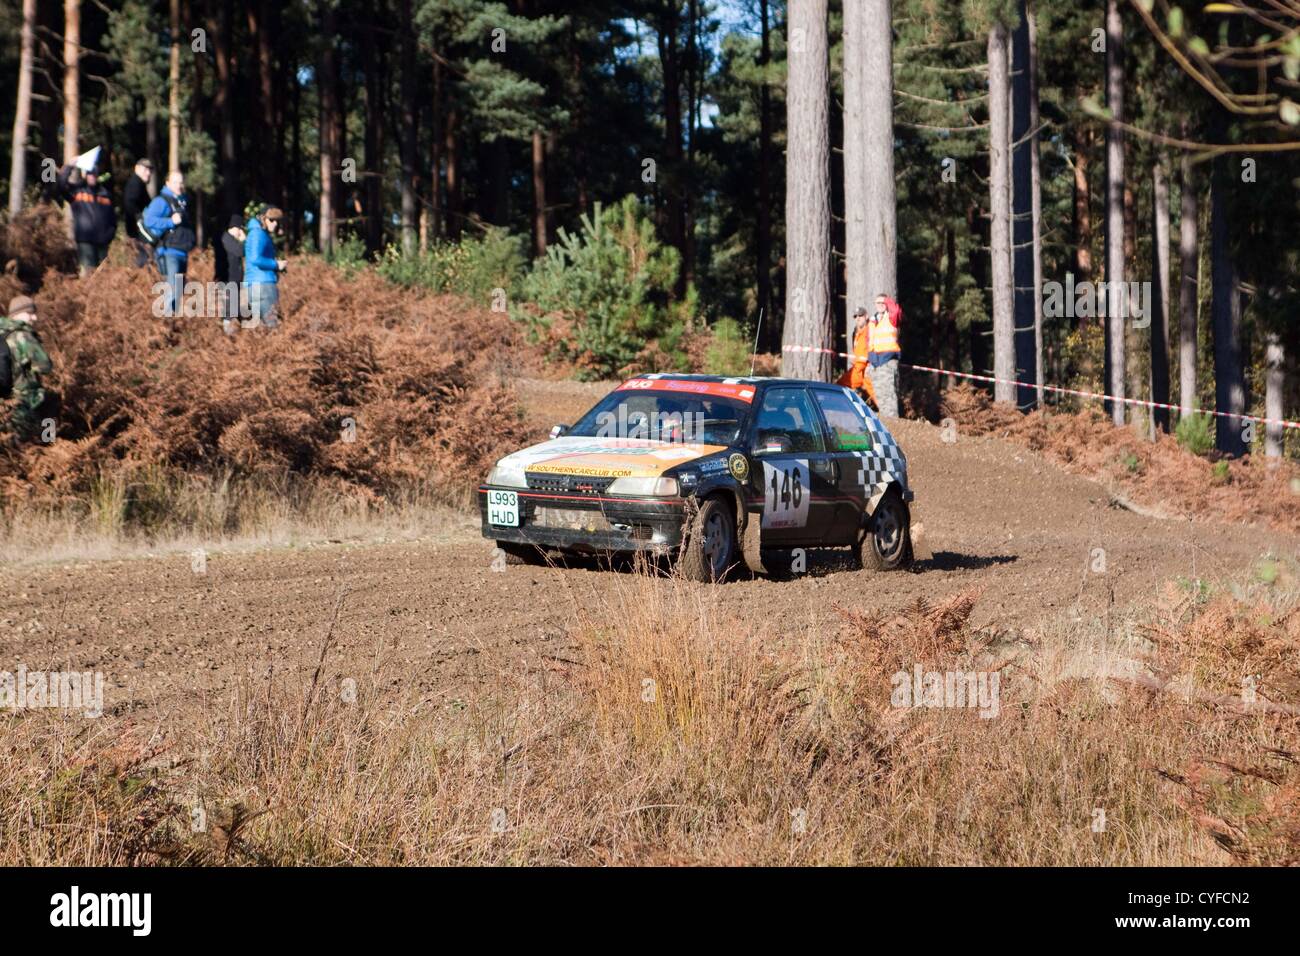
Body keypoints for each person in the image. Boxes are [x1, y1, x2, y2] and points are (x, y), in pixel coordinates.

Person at [1, 296, 55, 443]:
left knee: (12, 448)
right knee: (43, 441)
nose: (34, 317)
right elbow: (45, 366)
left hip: (4, 406)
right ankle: (50, 444)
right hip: (26, 402)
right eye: (30, 313)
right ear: (18, 314)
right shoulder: (22, 335)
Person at [143, 170, 196, 317]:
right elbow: (149, 220)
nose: (179, 185)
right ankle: (166, 321)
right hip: (168, 251)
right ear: (167, 183)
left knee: (179, 290)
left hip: (182, 251)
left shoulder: (183, 201)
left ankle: (173, 320)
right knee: (171, 288)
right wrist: (170, 221)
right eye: (175, 182)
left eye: (181, 182)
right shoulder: (161, 201)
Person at [56, 162, 117, 277]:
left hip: (103, 242)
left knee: (103, 274)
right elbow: (61, 185)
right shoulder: (77, 191)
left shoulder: (105, 194)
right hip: (85, 241)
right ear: (85, 175)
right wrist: (69, 166)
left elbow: (113, 218)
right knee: (88, 274)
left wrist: (110, 234)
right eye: (89, 174)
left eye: (94, 174)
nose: (92, 176)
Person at [243, 205, 287, 329]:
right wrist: (276, 264)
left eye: (277, 221)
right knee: (273, 327)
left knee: (262, 329)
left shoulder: (255, 233)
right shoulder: (258, 234)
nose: (275, 223)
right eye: (271, 220)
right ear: (263, 219)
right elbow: (256, 259)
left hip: (253, 285)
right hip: (264, 285)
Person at [867, 292, 903, 418]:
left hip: (887, 360)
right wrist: (871, 361)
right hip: (875, 362)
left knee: (889, 395)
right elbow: (869, 341)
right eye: (878, 303)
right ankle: (886, 421)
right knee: (880, 395)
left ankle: (893, 422)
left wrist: (887, 301)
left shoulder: (891, 317)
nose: (880, 305)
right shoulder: (872, 321)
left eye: (883, 302)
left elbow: (896, 310)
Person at [837, 306, 879, 411]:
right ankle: (842, 409)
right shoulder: (856, 334)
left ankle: (888, 416)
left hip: (867, 369)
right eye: (856, 316)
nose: (858, 318)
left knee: (877, 395)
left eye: (860, 315)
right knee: (840, 385)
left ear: (866, 316)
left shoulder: (870, 331)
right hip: (858, 369)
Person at [214, 213, 246, 335]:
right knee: (230, 309)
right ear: (236, 227)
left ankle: (231, 334)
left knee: (233, 308)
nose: (241, 232)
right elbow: (241, 251)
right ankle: (228, 334)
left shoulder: (230, 239)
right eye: (240, 228)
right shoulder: (227, 238)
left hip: (233, 280)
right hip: (228, 280)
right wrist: (244, 240)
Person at [122, 158, 155, 269]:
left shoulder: (139, 184)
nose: (148, 173)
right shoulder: (135, 183)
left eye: (150, 170)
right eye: (145, 169)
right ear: (136, 168)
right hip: (136, 233)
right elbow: (129, 204)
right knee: (141, 262)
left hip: (137, 232)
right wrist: (140, 219)